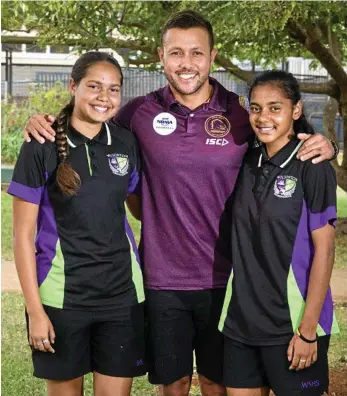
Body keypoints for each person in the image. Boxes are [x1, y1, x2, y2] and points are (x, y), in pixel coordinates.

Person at [23, 11, 337, 396]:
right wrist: (44, 121)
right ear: (161, 56)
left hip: (226, 281)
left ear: (211, 55)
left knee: (216, 383)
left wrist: (325, 141)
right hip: (161, 280)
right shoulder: (137, 112)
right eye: (176, 53)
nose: (186, 64)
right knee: (173, 384)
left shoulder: (239, 112)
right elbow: (90, 124)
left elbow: (280, 133)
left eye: (196, 53)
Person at [9, 51, 146, 396]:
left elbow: (138, 209)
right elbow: (22, 238)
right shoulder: (40, 145)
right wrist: (35, 312)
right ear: (73, 86)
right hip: (61, 299)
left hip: (122, 296)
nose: (105, 97)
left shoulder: (126, 143)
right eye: (94, 86)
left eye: (114, 89)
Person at [219, 70, 339, 396]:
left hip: (293, 325)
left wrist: (308, 331)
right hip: (241, 323)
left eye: (275, 108)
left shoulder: (312, 166)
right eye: (256, 108)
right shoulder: (244, 160)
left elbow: (325, 252)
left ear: (296, 110)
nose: (263, 117)